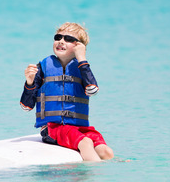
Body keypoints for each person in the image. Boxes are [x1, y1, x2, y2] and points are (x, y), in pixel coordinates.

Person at [20, 23, 114, 161]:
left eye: (69, 39)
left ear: (79, 46)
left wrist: (82, 58)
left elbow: (92, 90)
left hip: (79, 128)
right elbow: (26, 106)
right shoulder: (43, 67)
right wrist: (29, 82)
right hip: (52, 128)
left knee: (106, 151)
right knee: (86, 143)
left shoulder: (82, 68)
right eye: (58, 37)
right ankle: (90, 179)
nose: (61, 41)